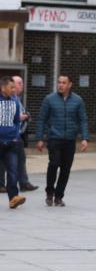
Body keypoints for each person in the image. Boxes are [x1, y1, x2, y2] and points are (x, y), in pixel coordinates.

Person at [34, 74, 90, 207]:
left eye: (64, 83)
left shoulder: (78, 100)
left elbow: (83, 120)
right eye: (59, 82)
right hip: (54, 138)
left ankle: (59, 196)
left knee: (66, 169)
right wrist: (40, 138)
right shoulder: (49, 99)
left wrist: (85, 138)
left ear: (70, 84)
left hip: (70, 139)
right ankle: (49, 192)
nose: (60, 85)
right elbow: (41, 119)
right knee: (54, 163)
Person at [0, 76, 26, 209]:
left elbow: (17, 120)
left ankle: (13, 197)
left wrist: (15, 135)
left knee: (13, 170)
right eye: (11, 87)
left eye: (15, 87)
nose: (14, 90)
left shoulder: (15, 100)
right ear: (3, 87)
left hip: (12, 142)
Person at [0, 75, 38, 192]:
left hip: (17, 135)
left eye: (21, 83)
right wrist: (20, 117)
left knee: (20, 159)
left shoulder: (16, 99)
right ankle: (0, 184)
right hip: (4, 136)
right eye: (17, 84)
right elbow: (1, 117)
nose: (19, 86)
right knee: (3, 162)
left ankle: (22, 182)